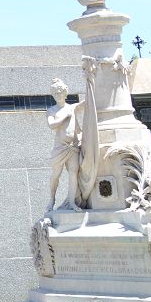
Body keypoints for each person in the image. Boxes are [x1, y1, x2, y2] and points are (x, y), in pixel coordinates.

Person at [47, 78, 84, 212]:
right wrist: (64, 116)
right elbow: (51, 125)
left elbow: (86, 103)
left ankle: (72, 202)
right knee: (56, 174)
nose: (58, 95)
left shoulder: (72, 107)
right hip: (60, 147)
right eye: (55, 93)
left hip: (73, 147)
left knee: (73, 173)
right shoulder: (52, 110)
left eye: (60, 92)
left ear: (65, 93)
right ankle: (52, 199)